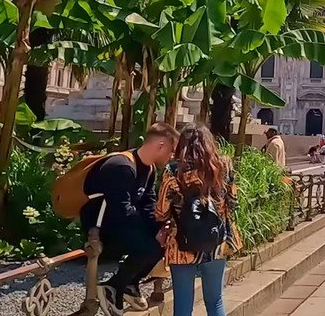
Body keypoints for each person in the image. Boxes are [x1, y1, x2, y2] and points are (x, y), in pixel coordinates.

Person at [84, 123, 179, 310]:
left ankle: (128, 284)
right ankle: (113, 286)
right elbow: (120, 210)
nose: (172, 156)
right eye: (171, 150)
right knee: (150, 247)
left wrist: (162, 227)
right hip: (100, 227)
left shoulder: (149, 169)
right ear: (160, 145)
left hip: (123, 222)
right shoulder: (121, 166)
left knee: (164, 241)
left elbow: (148, 204)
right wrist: (151, 232)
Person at [155, 126, 237, 316]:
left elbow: (161, 211)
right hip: (216, 241)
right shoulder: (224, 166)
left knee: (183, 304)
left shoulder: (173, 170)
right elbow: (232, 203)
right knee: (215, 300)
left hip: (181, 243)